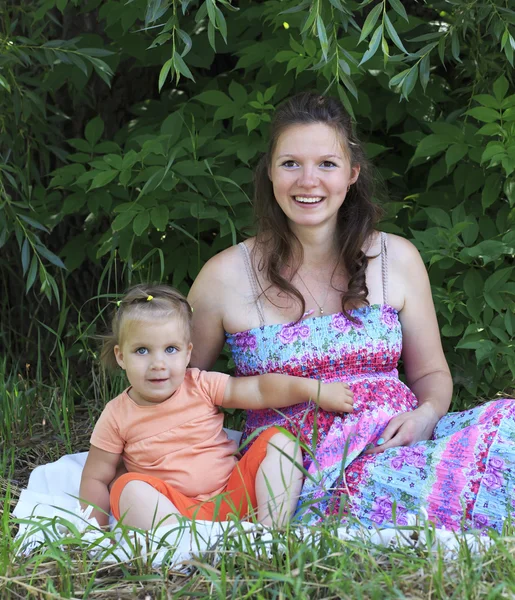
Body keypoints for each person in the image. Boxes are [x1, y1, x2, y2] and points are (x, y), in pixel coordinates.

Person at [188, 92, 515, 532]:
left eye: (326, 163)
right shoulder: (224, 276)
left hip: (399, 440)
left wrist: (425, 416)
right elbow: (181, 387)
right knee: (400, 490)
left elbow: (431, 375)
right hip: (303, 466)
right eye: (290, 164)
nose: (308, 181)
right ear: (269, 172)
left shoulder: (394, 258)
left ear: (352, 174)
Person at [79, 283, 353, 530]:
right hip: (175, 510)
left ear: (188, 353)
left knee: (280, 441)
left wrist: (314, 390)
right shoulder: (117, 415)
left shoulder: (200, 385)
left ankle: (270, 533)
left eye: (170, 349)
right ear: (121, 356)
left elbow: (259, 389)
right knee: (126, 488)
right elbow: (96, 478)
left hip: (234, 497)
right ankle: (185, 545)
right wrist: (95, 532)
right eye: (142, 351)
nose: (158, 363)